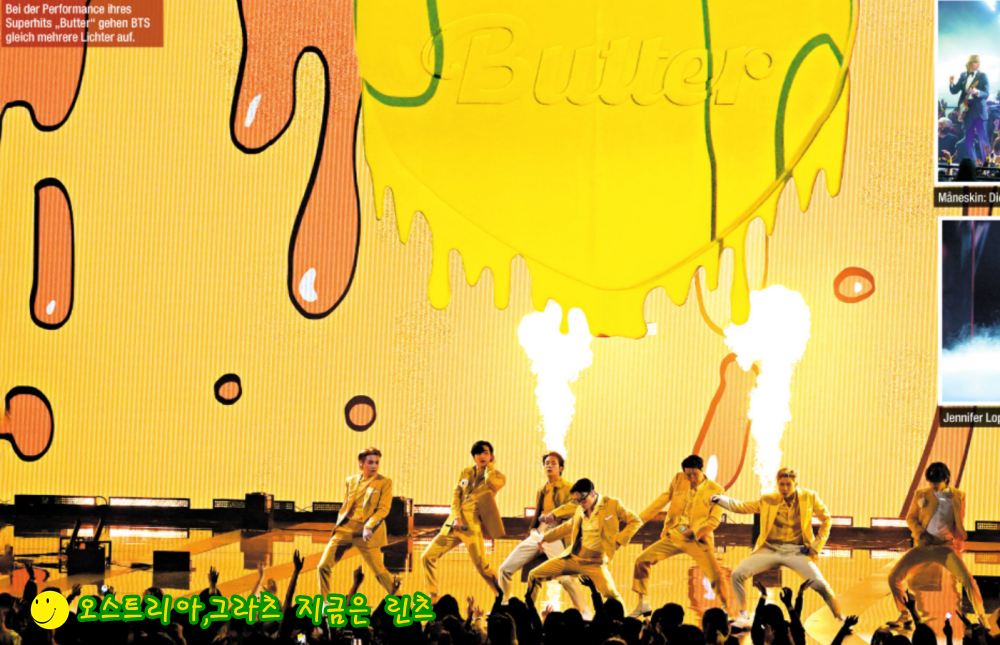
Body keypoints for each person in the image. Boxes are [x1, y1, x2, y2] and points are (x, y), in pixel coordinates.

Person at [711, 467, 842, 627]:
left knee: (820, 585)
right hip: (770, 549)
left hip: (796, 551)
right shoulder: (769, 499)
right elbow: (742, 507)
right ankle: (742, 617)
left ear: (795, 484)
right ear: (777, 484)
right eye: (781, 484)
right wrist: (720, 499)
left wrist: (816, 546)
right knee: (737, 574)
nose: (785, 488)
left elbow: (827, 519)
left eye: (788, 484)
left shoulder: (809, 497)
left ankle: (841, 618)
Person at [886, 462, 988, 628]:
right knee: (894, 577)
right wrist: (921, 533)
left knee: (968, 580)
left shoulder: (958, 496)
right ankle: (905, 614)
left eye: (936, 482)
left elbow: (959, 520)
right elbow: (911, 518)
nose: (933, 485)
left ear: (946, 479)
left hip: (945, 547)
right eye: (931, 481)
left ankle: (982, 616)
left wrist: (958, 539)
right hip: (923, 546)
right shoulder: (921, 494)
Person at [628, 455, 730, 619]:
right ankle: (643, 603)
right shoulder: (679, 479)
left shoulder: (716, 490)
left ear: (701, 470)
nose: (691, 478)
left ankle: (727, 610)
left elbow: (714, 520)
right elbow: (661, 500)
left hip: (698, 538)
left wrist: (695, 532)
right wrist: (639, 519)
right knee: (642, 560)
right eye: (688, 475)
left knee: (716, 574)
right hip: (677, 532)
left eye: (694, 474)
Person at [497, 451, 588, 613]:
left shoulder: (569, 487)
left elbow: (576, 506)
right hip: (537, 534)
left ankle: (585, 612)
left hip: (555, 535)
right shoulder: (542, 489)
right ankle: (504, 605)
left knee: (565, 578)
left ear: (561, 468)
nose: (549, 465)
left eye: (553, 463)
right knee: (505, 569)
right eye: (547, 463)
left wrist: (555, 514)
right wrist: (533, 532)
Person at [528, 478, 642, 604]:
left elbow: (635, 521)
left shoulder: (612, 504)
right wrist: (544, 538)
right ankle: (527, 611)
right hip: (573, 558)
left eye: (583, 500)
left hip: (595, 563)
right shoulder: (580, 509)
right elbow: (567, 527)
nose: (581, 503)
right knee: (534, 575)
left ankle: (622, 616)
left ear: (593, 493)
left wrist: (619, 541)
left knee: (612, 596)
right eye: (577, 500)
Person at [422, 440, 506, 599]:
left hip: (472, 526)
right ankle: (433, 596)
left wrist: (490, 467)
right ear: (473, 457)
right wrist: (456, 517)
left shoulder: (498, 477)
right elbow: (456, 495)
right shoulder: (466, 473)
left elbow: (491, 483)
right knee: (427, 556)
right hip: (454, 524)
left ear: (492, 456)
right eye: (478, 453)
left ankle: (501, 595)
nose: (481, 456)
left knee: (482, 567)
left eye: (486, 453)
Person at [317, 446, 398, 597]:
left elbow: (384, 509)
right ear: (361, 463)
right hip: (345, 529)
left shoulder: (384, 482)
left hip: (366, 533)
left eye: (377, 462)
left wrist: (369, 526)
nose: (374, 466)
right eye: (370, 462)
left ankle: (399, 600)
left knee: (379, 571)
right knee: (323, 566)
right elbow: (346, 505)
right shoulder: (351, 481)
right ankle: (325, 602)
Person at [950, 55, 991, 165]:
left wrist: (977, 92)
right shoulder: (963, 75)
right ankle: (973, 165)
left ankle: (986, 165)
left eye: (979, 62)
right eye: (976, 62)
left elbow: (986, 93)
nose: (978, 64)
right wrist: (951, 83)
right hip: (967, 110)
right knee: (968, 139)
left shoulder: (983, 76)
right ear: (970, 63)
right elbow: (954, 91)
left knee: (982, 138)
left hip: (979, 110)